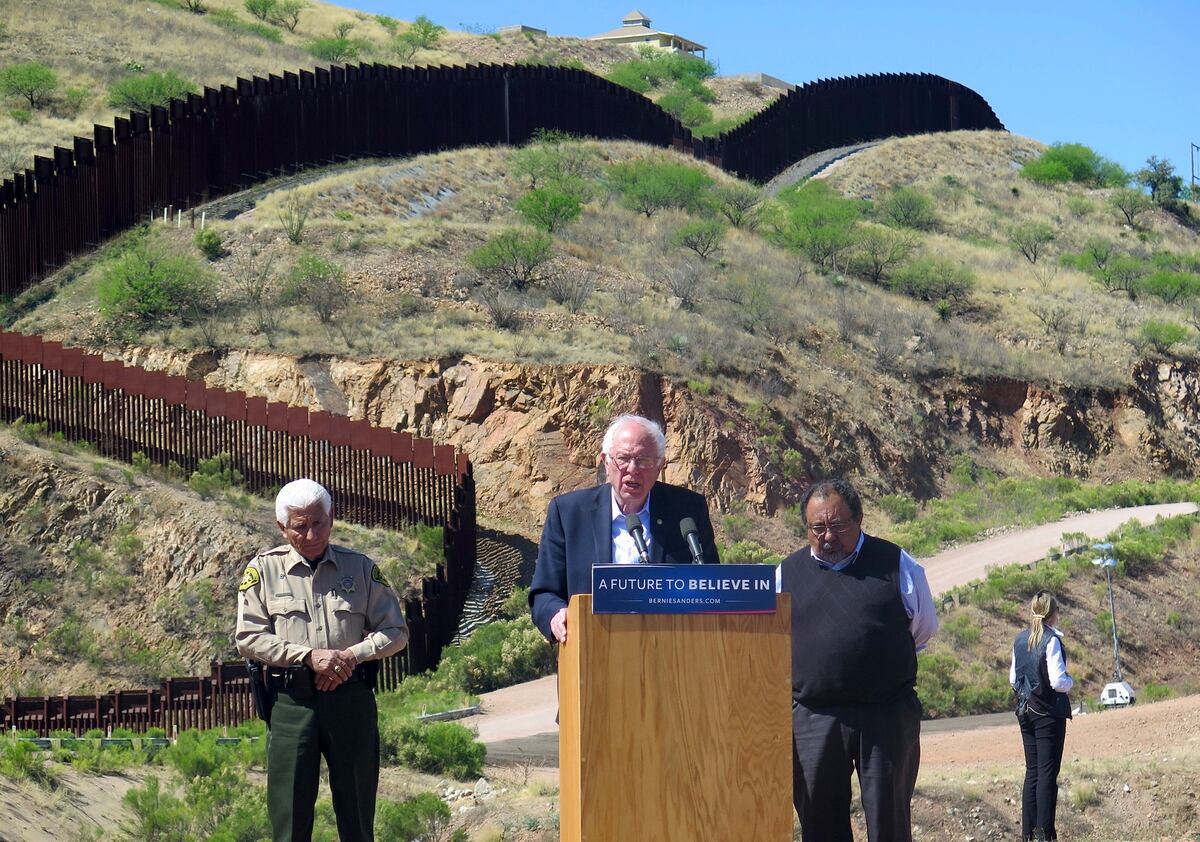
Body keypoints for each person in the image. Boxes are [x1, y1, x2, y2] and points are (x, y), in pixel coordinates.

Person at [236, 478, 409, 842]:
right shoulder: (264, 571)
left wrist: (350, 656)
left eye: (319, 523)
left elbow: (396, 631)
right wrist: (308, 657)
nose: (312, 534)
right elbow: (248, 637)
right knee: (289, 818)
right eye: (300, 526)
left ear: (332, 519)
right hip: (292, 704)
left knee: (358, 816)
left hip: (350, 700)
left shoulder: (359, 568)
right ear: (282, 528)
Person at [778, 478, 938, 842]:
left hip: (886, 715)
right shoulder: (785, 574)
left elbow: (923, 628)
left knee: (889, 823)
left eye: (838, 526)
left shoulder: (896, 564)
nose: (828, 537)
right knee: (819, 825)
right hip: (813, 718)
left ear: (859, 519)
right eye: (817, 528)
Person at [529, 413, 720, 643]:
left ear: (660, 465)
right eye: (623, 458)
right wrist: (555, 615)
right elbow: (544, 593)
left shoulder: (687, 510)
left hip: (672, 650)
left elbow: (712, 583)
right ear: (606, 462)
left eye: (643, 461)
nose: (633, 469)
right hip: (593, 649)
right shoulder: (568, 513)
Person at [1010, 591, 1073, 842]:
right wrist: (1071, 682)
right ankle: (1045, 833)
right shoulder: (1051, 640)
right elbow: (1058, 681)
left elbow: (1013, 679)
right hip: (1047, 713)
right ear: (1053, 613)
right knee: (1047, 773)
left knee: (1033, 772)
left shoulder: (1019, 640)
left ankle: (1028, 834)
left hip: (1025, 711)